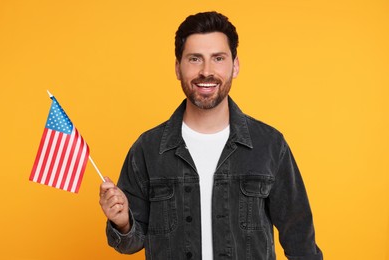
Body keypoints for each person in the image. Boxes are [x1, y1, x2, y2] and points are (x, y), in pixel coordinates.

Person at [99, 11, 323, 260]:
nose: (206, 71)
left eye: (218, 58)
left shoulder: (270, 145)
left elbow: (301, 241)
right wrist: (122, 223)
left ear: (235, 65)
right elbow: (130, 243)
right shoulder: (148, 149)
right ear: (177, 67)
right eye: (195, 59)